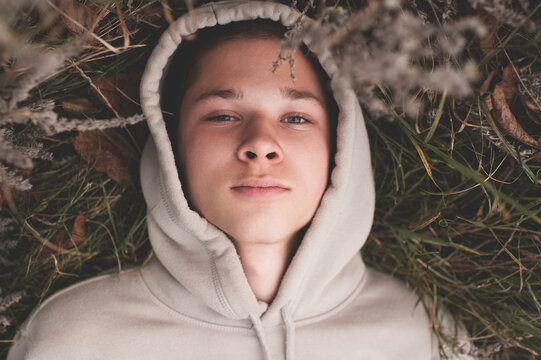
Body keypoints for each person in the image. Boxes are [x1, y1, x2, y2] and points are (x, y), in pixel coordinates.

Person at [8, 1, 442, 359]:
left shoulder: (426, 334)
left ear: (341, 143)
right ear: (171, 146)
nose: (260, 144)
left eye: (295, 117)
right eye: (222, 115)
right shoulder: (74, 340)